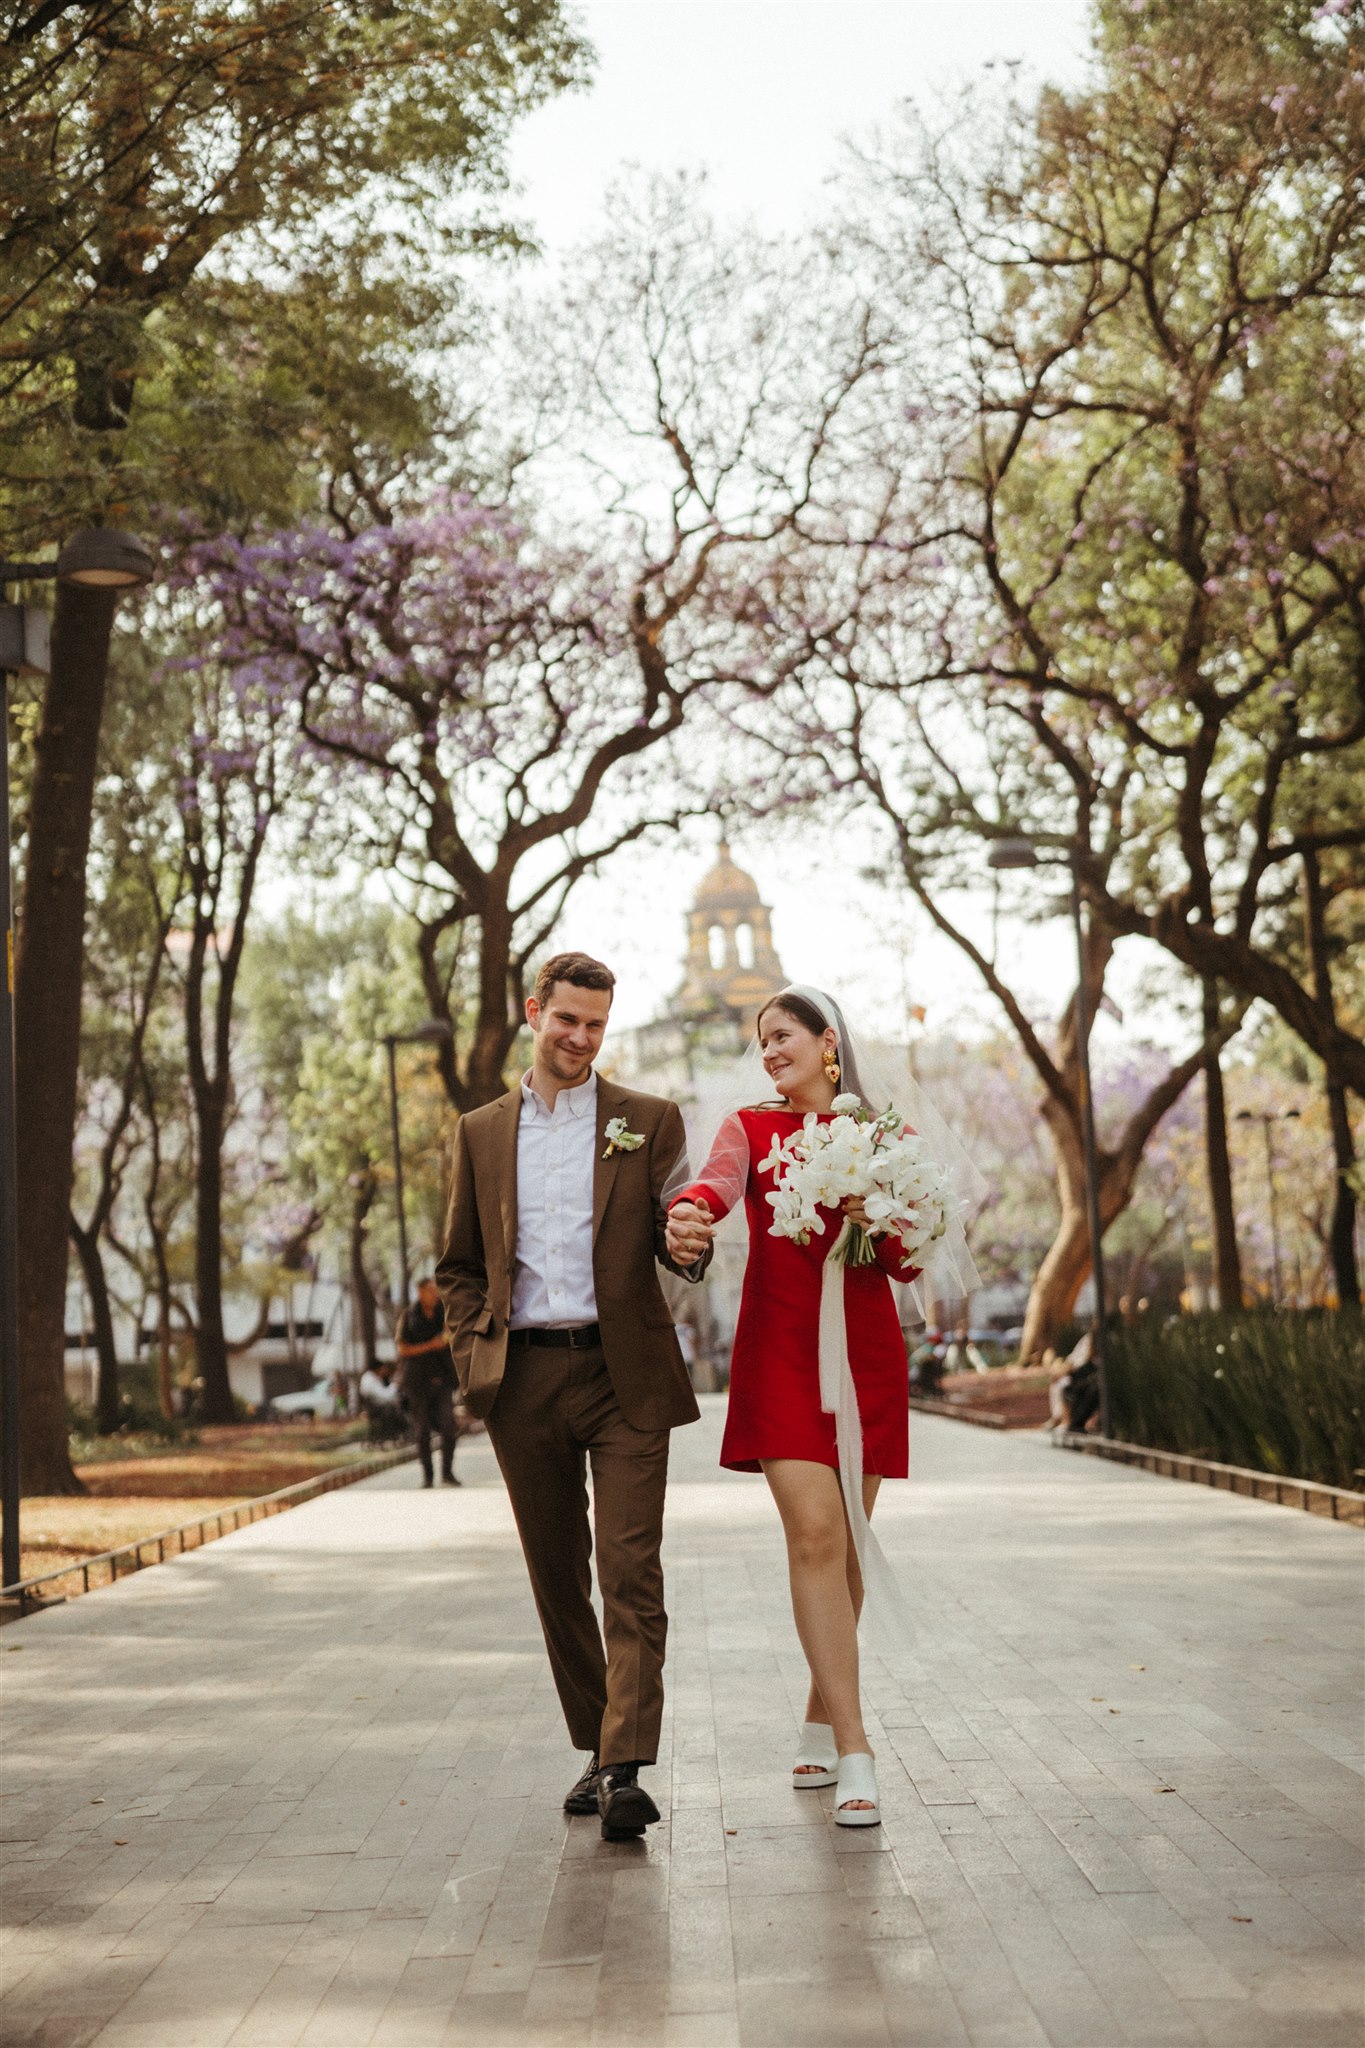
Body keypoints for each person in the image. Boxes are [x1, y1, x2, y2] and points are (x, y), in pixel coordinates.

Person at [666, 984, 979, 1829]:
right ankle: (854, 1747)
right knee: (813, 1535)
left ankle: (814, 1715)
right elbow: (716, 1183)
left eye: (782, 1036)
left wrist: (872, 1215)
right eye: (760, 1040)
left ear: (826, 1041)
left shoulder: (885, 1139)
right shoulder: (750, 1127)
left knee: (844, 1550)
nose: (768, 1051)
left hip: (865, 1358)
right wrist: (689, 1213)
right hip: (780, 1356)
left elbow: (910, 1264)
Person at [436, 951, 710, 1841]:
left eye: (595, 1025)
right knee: (558, 1577)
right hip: (521, 1381)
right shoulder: (479, 1132)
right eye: (567, 1021)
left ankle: (625, 1767)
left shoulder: (647, 1120)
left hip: (621, 1373)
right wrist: (475, 1354)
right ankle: (598, 1744)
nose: (581, 1040)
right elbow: (460, 1265)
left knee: (631, 1571)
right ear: (533, 1013)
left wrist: (691, 1239)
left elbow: (678, 1240)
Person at [397, 1277, 461, 1486]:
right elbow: (403, 1348)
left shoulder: (444, 1313)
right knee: (422, 1431)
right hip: (417, 1382)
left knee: (449, 1425)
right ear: (420, 1292)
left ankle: (447, 1472)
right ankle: (428, 1475)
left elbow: (455, 1335)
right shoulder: (408, 1316)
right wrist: (430, 1345)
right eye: (430, 1291)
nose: (434, 1295)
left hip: (442, 1378)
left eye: (436, 1291)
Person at [359, 1357, 404, 1441]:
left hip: (377, 1406)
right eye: (384, 1368)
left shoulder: (371, 1378)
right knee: (396, 1409)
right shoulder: (370, 1380)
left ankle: (398, 1433)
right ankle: (394, 1434)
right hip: (377, 1408)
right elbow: (386, 1396)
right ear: (378, 1369)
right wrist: (395, 1384)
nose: (385, 1371)